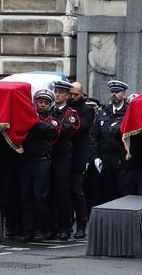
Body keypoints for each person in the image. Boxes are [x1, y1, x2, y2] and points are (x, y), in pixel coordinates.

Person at [19, 89, 60, 242]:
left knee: (40, 197)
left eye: (45, 103)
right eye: (40, 102)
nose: (42, 105)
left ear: (50, 105)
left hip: (42, 162)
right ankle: (29, 230)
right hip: (26, 161)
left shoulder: (52, 119)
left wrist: (33, 119)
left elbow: (49, 131)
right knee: (26, 197)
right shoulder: (29, 118)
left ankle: (44, 228)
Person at [89, 80, 129, 205]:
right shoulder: (104, 112)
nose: (114, 94)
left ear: (123, 94)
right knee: (107, 192)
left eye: (117, 92)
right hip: (106, 158)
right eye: (112, 92)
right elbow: (95, 137)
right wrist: (96, 157)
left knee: (122, 191)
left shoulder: (129, 112)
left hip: (122, 158)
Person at [50, 80, 80, 240]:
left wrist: (49, 127)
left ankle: (65, 227)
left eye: (61, 92)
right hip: (49, 156)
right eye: (56, 91)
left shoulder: (71, 114)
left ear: (67, 95)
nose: (57, 95)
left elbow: (62, 131)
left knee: (62, 192)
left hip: (63, 157)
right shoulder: (50, 111)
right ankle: (52, 226)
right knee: (50, 192)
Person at [67, 83, 95, 239]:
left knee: (76, 191)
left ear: (82, 94)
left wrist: (66, 123)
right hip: (65, 156)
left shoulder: (87, 110)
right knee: (64, 190)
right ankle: (67, 222)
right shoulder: (66, 108)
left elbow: (81, 127)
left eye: (75, 95)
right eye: (70, 94)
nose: (72, 97)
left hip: (77, 156)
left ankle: (82, 224)